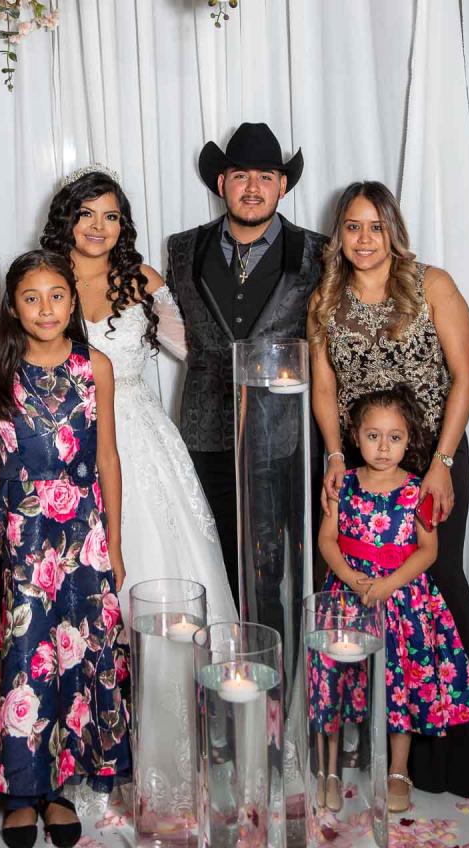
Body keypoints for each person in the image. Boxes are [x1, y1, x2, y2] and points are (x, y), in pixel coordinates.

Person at [308, 179, 469, 797]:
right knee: (354, 590)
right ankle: (360, 751)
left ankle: (456, 759)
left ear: (394, 229)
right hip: (362, 464)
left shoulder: (432, 285)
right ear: (339, 235)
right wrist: (335, 455)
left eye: (376, 226)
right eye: (353, 227)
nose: (364, 239)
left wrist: (442, 461)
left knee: (437, 585)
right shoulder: (325, 300)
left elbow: (466, 378)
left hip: (432, 456)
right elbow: (326, 389)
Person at [0, 250, 131, 848]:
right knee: (24, 653)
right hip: (19, 536)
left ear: (72, 300)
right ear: (13, 307)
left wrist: (113, 542)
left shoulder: (95, 366)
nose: (46, 308)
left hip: (81, 533)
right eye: (31, 298)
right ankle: (20, 792)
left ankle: (58, 788)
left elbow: (107, 457)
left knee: (73, 653)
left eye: (57, 295)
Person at [40, 164, 236, 622]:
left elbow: (195, 351)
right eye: (86, 214)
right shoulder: (46, 279)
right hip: (66, 428)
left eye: (110, 217)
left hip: (140, 433)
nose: (98, 226)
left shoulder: (142, 280)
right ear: (67, 218)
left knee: (157, 549)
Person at [166, 123, 326, 606]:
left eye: (265, 176)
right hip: (205, 433)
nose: (252, 187)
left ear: (282, 185)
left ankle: (275, 655)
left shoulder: (319, 252)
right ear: (222, 183)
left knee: (275, 570)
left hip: (282, 438)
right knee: (211, 563)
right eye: (240, 176)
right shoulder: (182, 249)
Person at [311, 385, 469, 815]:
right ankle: (330, 770)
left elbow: (429, 550)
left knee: (398, 682)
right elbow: (327, 540)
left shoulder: (418, 490)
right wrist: (351, 578)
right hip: (348, 598)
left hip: (401, 601)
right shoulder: (342, 485)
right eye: (373, 436)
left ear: (409, 440)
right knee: (335, 679)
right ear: (355, 435)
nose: (384, 447)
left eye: (394, 437)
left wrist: (388, 585)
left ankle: (399, 771)